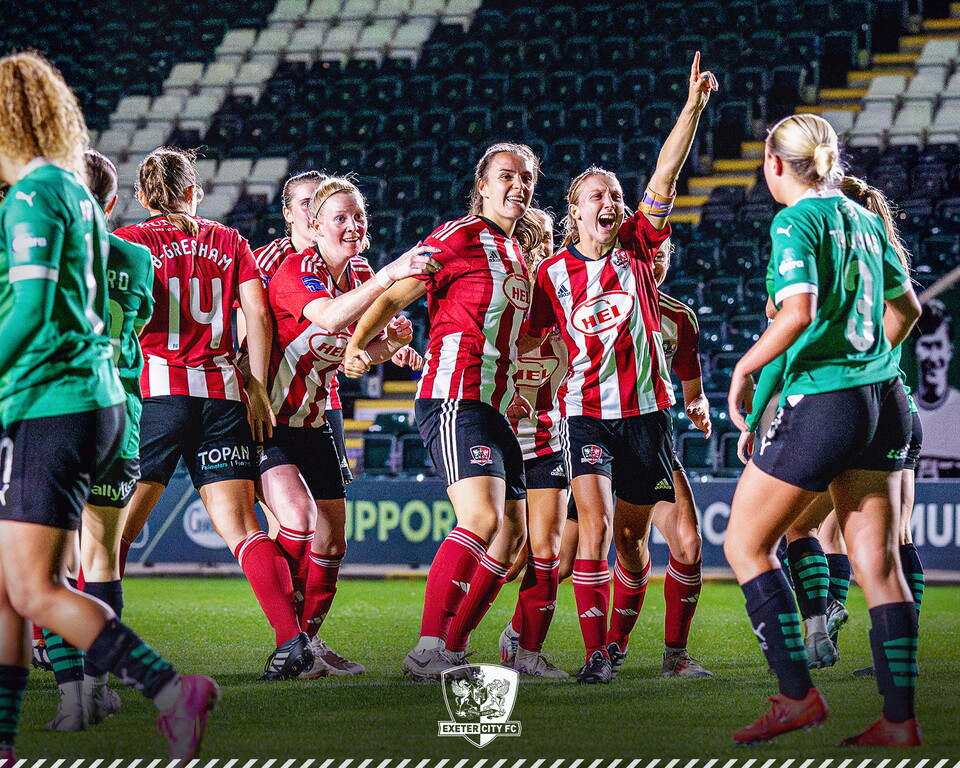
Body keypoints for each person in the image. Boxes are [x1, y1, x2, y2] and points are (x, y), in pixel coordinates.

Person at [0, 51, 217, 761]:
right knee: (14, 586)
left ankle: (169, 689)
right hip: (97, 399)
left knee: (35, 588)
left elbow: (32, 307)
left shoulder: (34, 195)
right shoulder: (77, 201)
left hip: (50, 401)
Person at [724, 114, 923, 746]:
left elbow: (797, 314)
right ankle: (898, 722)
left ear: (774, 163)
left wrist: (744, 369)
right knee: (879, 565)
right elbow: (907, 308)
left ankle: (797, 697)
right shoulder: (864, 218)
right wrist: (870, 363)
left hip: (828, 402)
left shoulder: (797, 220)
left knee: (746, 545)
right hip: (884, 398)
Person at [521, 54, 717, 684]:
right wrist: (528, 405)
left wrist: (691, 109)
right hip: (585, 418)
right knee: (597, 529)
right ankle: (595, 656)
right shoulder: (550, 275)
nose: (610, 201)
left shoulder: (636, 245)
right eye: (596, 196)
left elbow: (665, 173)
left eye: (615, 195)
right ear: (574, 213)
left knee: (656, 544)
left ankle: (667, 653)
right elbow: (536, 350)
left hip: (647, 418)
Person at [343, 142, 545, 681]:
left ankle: (453, 648)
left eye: (526, 178)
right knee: (481, 519)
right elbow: (395, 296)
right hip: (456, 395)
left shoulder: (517, 253)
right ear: (482, 186)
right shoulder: (460, 235)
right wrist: (357, 344)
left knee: (513, 538)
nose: (518, 186)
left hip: (496, 406)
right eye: (507, 176)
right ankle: (427, 647)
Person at [113, 147, 311, 681]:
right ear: (193, 191)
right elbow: (258, 317)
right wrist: (258, 387)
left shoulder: (129, 242)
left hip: (157, 397)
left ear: (142, 196)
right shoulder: (230, 240)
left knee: (115, 532)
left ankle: (86, 646)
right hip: (224, 399)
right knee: (244, 531)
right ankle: (291, 641)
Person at [260, 174, 437, 677]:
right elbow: (331, 319)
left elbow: (349, 352)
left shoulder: (358, 271)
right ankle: (289, 640)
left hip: (316, 417)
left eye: (359, 216)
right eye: (340, 217)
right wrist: (392, 274)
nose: (354, 225)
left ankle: (307, 645)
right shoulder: (294, 269)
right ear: (314, 226)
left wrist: (387, 346)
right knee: (298, 520)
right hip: (268, 421)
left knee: (333, 542)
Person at [494, 209, 570, 679]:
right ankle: (445, 640)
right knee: (501, 554)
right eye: (529, 241)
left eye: (544, 242)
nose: (539, 251)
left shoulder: (564, 301)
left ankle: (525, 650)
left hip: (547, 439)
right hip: (495, 439)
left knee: (549, 552)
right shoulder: (495, 301)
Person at [914, 299, 960, 477]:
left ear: (950, 351)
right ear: (914, 349)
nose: (933, 358)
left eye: (939, 345)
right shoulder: (899, 413)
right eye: (926, 345)